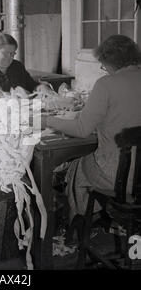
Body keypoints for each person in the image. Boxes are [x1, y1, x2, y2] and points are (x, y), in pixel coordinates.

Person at [41, 35, 141, 222]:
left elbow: (81, 129)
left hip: (119, 173)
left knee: (77, 166)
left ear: (110, 61)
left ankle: (77, 223)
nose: (105, 69)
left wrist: (47, 121)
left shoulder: (107, 84)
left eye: (103, 64)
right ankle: (106, 218)